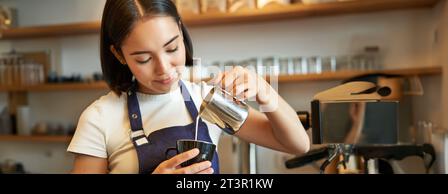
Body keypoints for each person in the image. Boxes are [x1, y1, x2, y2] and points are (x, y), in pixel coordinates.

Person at [67, 0, 310, 174]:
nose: (164, 68)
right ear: (119, 55)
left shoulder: (207, 99)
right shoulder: (99, 117)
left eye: (172, 48)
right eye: (144, 59)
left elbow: (297, 144)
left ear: (182, 33)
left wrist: (265, 91)